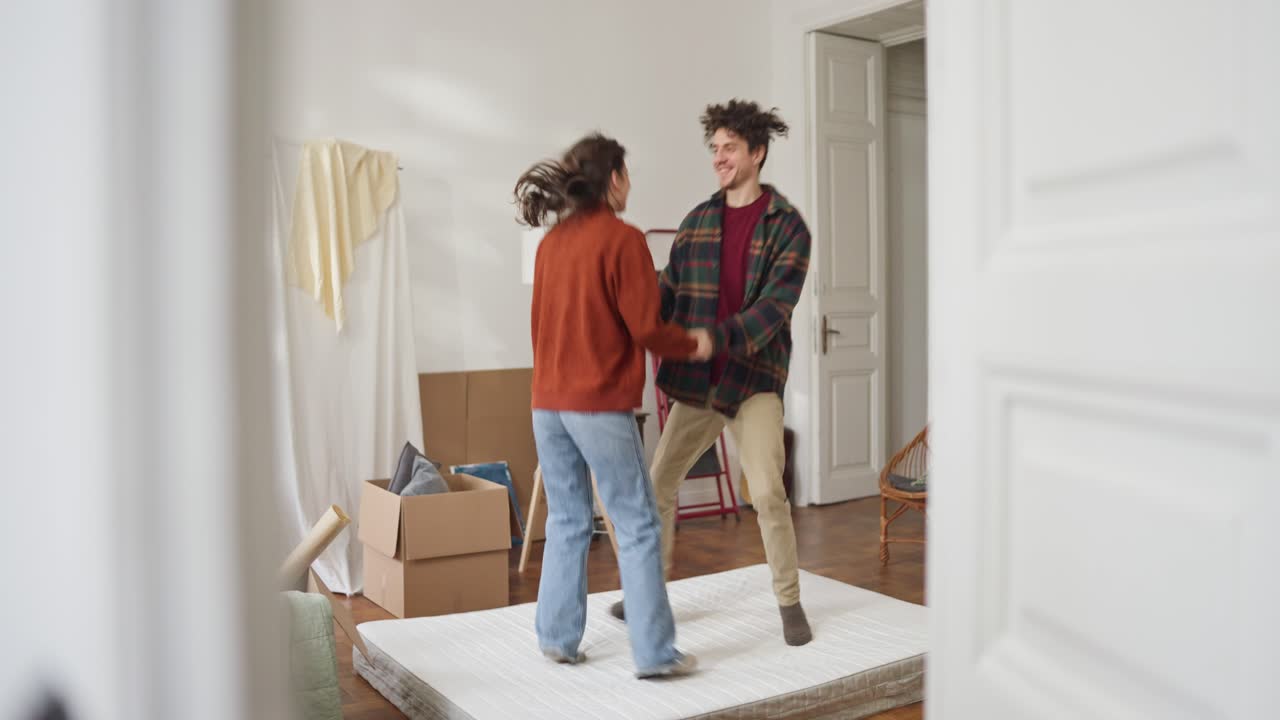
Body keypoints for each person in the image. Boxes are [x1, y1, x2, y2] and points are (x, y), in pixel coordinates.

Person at [610, 100, 814, 646]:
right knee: (659, 481)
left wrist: (715, 338)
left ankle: (789, 601)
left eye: (730, 149)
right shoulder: (699, 221)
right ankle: (646, 594)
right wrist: (624, 310)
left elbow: (775, 308)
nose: (720, 158)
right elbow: (667, 290)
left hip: (752, 380)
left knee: (768, 490)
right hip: (698, 384)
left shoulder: (788, 229)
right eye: (715, 149)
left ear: (757, 153)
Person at [517, 133, 710, 677]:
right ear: (614, 178)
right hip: (596, 404)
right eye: (628, 174)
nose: (631, 184)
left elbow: (537, 327)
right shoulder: (623, 240)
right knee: (638, 522)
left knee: (568, 519)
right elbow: (647, 327)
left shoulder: (552, 244)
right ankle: (654, 653)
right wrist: (694, 342)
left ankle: (557, 638)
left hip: (546, 403)